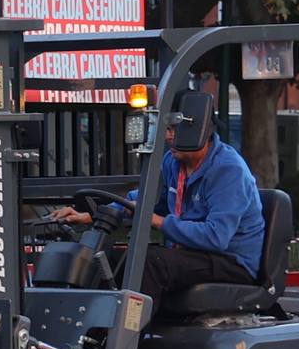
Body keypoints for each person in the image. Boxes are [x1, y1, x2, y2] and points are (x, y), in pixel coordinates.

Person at [56, 83, 265, 301]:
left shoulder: (227, 170)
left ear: (197, 128)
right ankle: (94, 321)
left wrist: (157, 221)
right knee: (108, 260)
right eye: (165, 128)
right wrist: (92, 215)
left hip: (230, 261)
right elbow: (147, 199)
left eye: (173, 129)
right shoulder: (173, 163)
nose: (167, 136)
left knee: (148, 263)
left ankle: (132, 324)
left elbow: (216, 237)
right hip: (191, 255)